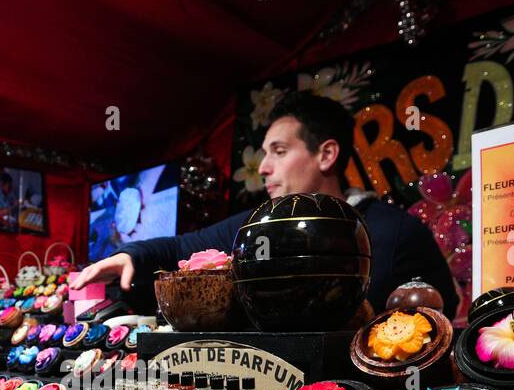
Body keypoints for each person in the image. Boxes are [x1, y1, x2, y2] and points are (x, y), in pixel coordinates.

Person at [72, 91, 459, 318]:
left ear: (326, 155)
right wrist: (130, 257)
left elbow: (434, 319)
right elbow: (180, 248)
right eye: (264, 153)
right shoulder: (255, 227)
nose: (264, 167)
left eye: (279, 151)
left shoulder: (398, 233)